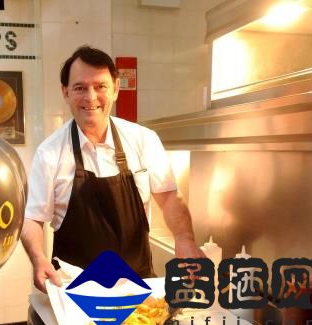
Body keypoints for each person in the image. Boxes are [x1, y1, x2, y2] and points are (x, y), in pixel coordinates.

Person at [21, 45, 205, 294]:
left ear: (116, 89)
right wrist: (37, 257)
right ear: (65, 92)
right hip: (74, 291)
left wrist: (184, 238)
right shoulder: (49, 153)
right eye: (79, 88)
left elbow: (169, 196)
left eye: (100, 87)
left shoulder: (143, 140)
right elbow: (33, 218)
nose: (91, 97)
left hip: (137, 286)